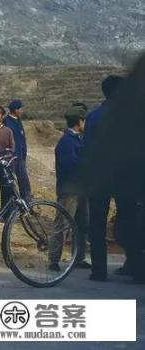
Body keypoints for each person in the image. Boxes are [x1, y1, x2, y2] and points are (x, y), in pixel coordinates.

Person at [81, 75, 138, 281]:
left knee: (97, 224)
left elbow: (87, 150)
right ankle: (135, 266)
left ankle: (99, 271)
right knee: (130, 221)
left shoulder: (94, 117)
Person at [48, 107, 91, 272]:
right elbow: (73, 166)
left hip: (81, 189)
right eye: (83, 120)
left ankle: (78, 257)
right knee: (62, 224)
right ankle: (53, 259)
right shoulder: (67, 141)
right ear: (79, 122)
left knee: (82, 224)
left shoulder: (78, 139)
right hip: (70, 190)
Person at [4, 99, 32, 200]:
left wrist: (24, 154)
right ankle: (12, 209)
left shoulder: (18, 121)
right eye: (20, 109)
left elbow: (22, 139)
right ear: (15, 110)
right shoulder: (6, 122)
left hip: (20, 157)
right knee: (12, 184)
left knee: (24, 182)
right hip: (11, 158)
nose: (22, 111)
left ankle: (28, 205)